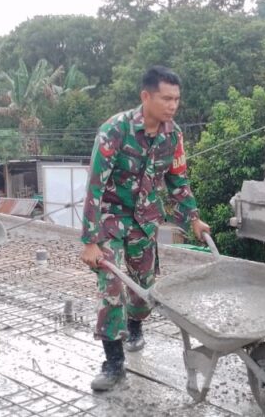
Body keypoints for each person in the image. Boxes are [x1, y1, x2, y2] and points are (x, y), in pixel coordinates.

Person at [79, 66, 210, 391]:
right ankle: (113, 364)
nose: (172, 105)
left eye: (176, 99)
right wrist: (90, 241)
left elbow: (177, 180)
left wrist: (193, 219)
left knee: (143, 287)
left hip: (145, 219)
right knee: (111, 288)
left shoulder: (173, 135)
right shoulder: (115, 131)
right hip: (110, 216)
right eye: (166, 98)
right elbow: (95, 187)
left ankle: (135, 324)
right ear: (146, 96)